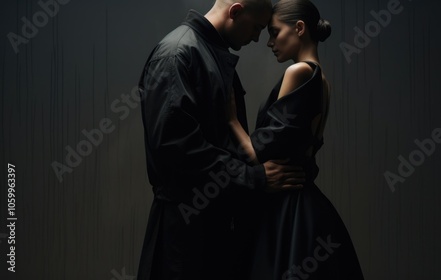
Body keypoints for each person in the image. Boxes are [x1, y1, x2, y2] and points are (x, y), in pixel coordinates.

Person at [136, 0, 306, 279]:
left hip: (213, 229)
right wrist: (254, 178)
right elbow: (175, 147)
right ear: (235, 11)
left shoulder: (207, 53)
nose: (256, 38)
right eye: (256, 28)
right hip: (184, 238)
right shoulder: (178, 54)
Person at [228, 0, 365, 279]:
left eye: (274, 32)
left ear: (299, 28)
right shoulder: (322, 79)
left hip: (286, 207)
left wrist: (230, 119)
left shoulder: (299, 72)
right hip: (307, 206)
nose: (269, 42)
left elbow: (259, 150)